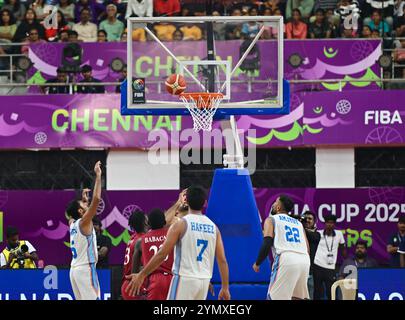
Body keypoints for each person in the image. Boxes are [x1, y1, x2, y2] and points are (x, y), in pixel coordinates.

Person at [125, 185, 231, 300]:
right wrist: (225, 287)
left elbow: (162, 254)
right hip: (204, 281)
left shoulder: (181, 224)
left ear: (187, 201)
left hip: (184, 279)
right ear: (205, 203)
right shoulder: (214, 228)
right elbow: (222, 260)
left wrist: (142, 275)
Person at [253, 195, 310, 300]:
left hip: (286, 258)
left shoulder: (271, 219)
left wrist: (258, 262)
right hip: (304, 260)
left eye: (275, 202)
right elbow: (307, 248)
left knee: (273, 297)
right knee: (297, 297)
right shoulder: (298, 223)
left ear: (278, 207)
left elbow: (267, 242)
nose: (273, 204)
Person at [65, 161, 102, 300]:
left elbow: (71, 213)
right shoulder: (83, 222)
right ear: (81, 211)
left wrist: (82, 201)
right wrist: (98, 176)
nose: (86, 203)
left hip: (74, 270)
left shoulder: (72, 223)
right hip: (85, 269)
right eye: (83, 204)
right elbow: (97, 199)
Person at [133, 209, 174, 300]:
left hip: (154, 280)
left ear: (148, 224)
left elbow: (134, 271)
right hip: (173, 278)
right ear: (164, 222)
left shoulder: (141, 241)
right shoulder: (172, 235)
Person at [313, 214, 347, 300]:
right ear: (325, 223)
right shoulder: (318, 233)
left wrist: (345, 258)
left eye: (332, 223)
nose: (329, 224)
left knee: (331, 291)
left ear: (334, 224)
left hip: (330, 267)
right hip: (318, 265)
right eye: (328, 222)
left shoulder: (339, 234)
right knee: (317, 291)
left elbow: (343, 248)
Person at [120, 209, 148, 300]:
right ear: (144, 222)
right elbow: (143, 266)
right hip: (134, 285)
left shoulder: (132, 238)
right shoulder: (142, 241)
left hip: (127, 284)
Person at [302, 211, 320, 300]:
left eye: (310, 219)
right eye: (306, 218)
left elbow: (311, 236)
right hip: (298, 270)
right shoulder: (298, 232)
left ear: (314, 222)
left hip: (310, 272)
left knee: (309, 297)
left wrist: (299, 226)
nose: (307, 220)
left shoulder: (317, 234)